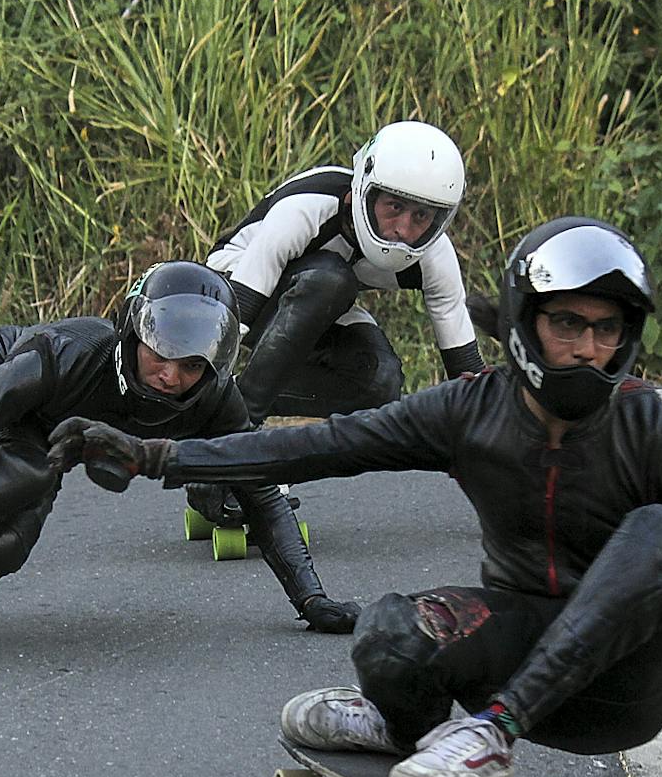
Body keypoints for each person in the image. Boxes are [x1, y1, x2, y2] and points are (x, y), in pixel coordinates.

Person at [47, 218, 662, 777]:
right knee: (391, 633)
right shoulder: (473, 409)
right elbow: (320, 447)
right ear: (529, 325)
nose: (587, 347)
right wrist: (156, 454)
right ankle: (403, 724)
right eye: (567, 323)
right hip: (516, 636)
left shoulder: (661, 426)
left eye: (607, 330)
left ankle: (488, 737)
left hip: (621, 685)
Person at [0, 261, 360, 635]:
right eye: (158, 353)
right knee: (31, 468)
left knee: (0, 553)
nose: (168, 375)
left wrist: (310, 599)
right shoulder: (67, 352)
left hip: (45, 435)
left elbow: (262, 489)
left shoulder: (215, 399)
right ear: (132, 333)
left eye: (190, 365)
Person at [190, 119, 481, 524]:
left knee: (379, 381)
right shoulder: (308, 208)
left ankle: (237, 417)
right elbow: (236, 314)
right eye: (393, 207)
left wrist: (500, 467)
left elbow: (467, 374)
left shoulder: (433, 257)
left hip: (317, 306)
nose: (402, 230)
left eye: (422, 217)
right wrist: (213, 438)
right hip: (235, 284)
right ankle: (240, 445)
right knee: (332, 280)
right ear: (363, 190)